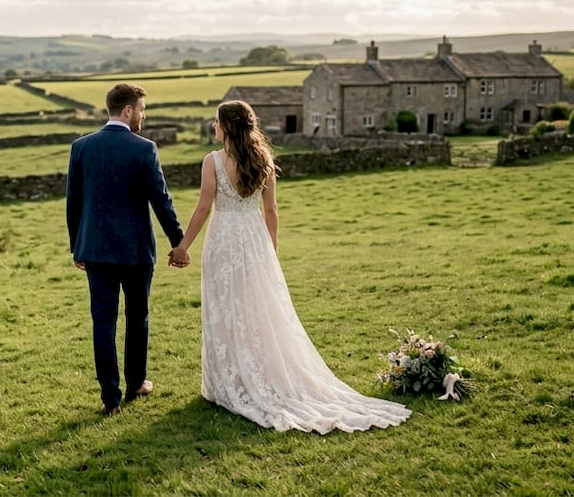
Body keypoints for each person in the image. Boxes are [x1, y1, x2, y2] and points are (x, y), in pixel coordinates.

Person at [170, 100, 411, 433]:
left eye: (216, 122)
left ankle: (229, 382)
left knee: (227, 307)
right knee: (256, 308)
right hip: (255, 239)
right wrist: (272, 251)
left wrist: (183, 246)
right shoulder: (263, 159)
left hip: (224, 240)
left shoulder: (212, 162)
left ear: (227, 126)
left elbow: (202, 209)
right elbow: (271, 211)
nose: (213, 127)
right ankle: (252, 374)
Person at [66, 83, 185, 416]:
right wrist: (178, 242)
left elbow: (73, 203)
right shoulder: (144, 149)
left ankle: (110, 399)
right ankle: (136, 384)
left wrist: (77, 246)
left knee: (102, 323)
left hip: (96, 250)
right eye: (142, 110)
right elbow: (161, 200)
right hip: (135, 252)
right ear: (128, 110)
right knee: (137, 318)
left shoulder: (81, 147)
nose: (143, 117)